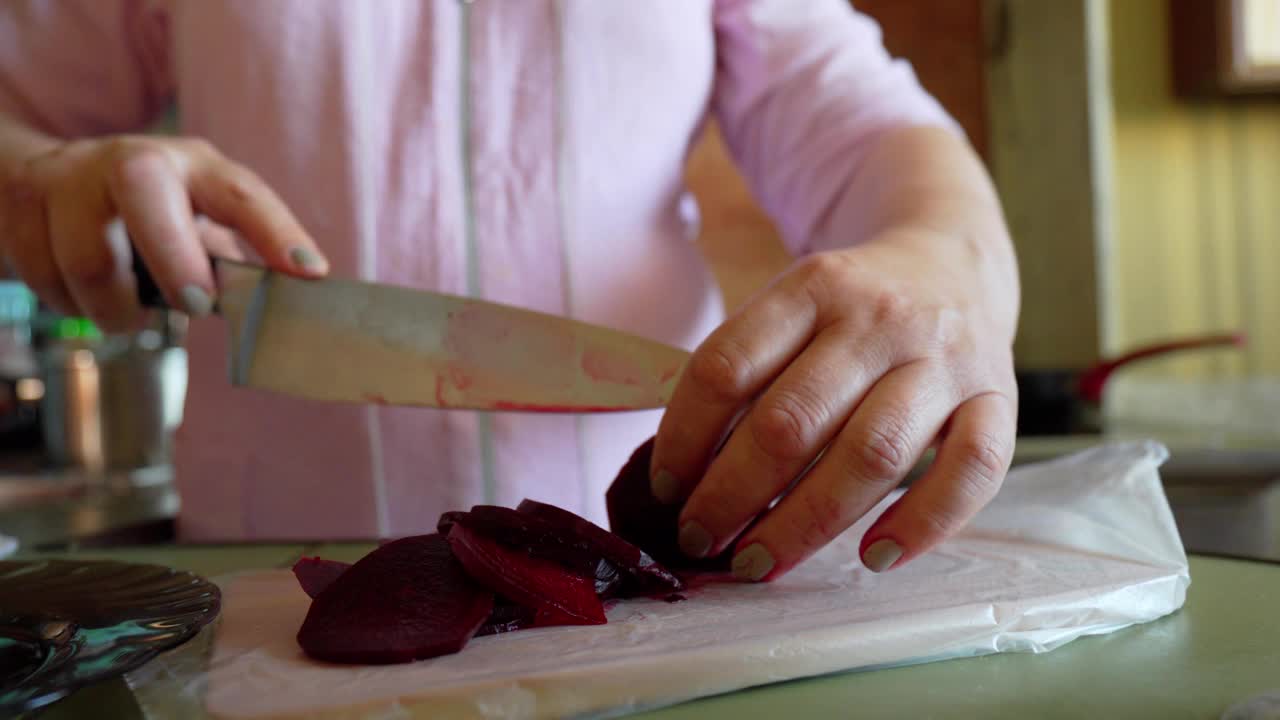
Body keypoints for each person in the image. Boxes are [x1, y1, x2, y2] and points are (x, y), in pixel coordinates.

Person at [0, 1, 1019, 582]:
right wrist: (38, 181)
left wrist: (944, 259)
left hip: (654, 605)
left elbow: (872, 129)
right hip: (270, 600)